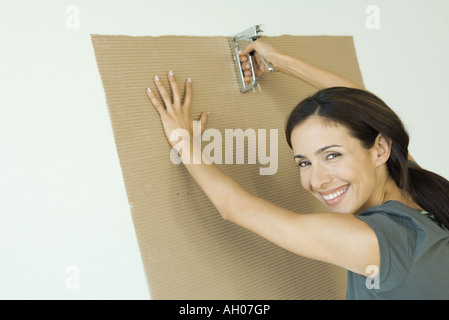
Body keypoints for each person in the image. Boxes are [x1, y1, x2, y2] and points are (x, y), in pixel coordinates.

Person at [146, 40, 449, 299]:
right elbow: (365, 108)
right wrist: (279, 61)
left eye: (332, 155)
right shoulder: (419, 190)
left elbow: (234, 208)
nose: (317, 180)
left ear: (380, 149)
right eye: (304, 162)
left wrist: (183, 142)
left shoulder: (373, 241)